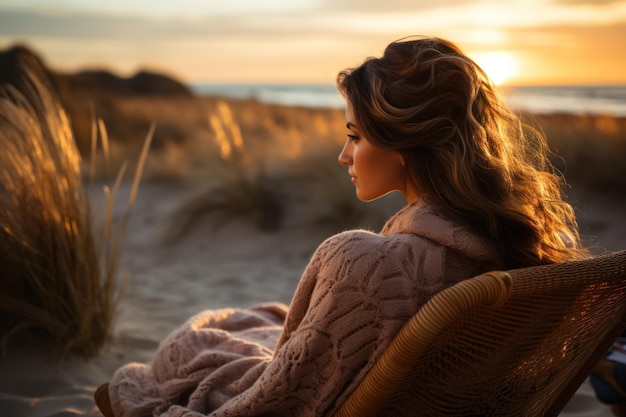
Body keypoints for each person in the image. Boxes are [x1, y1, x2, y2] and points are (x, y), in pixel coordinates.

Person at [105, 36, 588, 417]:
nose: (343, 155)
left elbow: (284, 400)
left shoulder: (368, 264)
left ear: (407, 142)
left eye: (355, 136)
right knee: (247, 323)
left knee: (189, 344)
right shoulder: (526, 251)